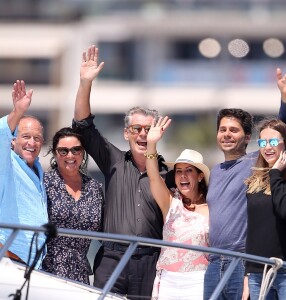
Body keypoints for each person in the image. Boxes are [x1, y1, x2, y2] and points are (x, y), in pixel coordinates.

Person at [72, 45, 168, 299]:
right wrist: (85, 83)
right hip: (112, 258)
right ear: (126, 133)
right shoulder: (113, 160)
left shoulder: (168, 174)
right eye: (136, 129)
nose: (142, 134)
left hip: (150, 260)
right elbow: (83, 126)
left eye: (148, 129)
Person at [204, 62, 286, 300]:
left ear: (247, 138)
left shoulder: (254, 164)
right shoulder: (214, 171)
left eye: (233, 130)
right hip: (214, 260)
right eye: (222, 129)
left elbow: (279, 135)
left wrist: (285, 98)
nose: (226, 134)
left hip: (242, 261)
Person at [145, 116, 210, 300]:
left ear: (199, 176)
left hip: (199, 280)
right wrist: (151, 144)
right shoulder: (170, 202)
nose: (182, 176)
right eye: (179, 171)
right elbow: (153, 177)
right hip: (168, 281)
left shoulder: (212, 207)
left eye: (189, 170)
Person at [245, 119, 286, 299]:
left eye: (274, 142)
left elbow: (285, 210)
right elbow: (253, 229)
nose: (268, 147)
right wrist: (247, 272)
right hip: (257, 273)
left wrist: (275, 173)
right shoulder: (254, 182)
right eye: (262, 142)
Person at [41, 127, 104, 285]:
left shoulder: (94, 188)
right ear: (55, 153)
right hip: (47, 271)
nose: (70, 155)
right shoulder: (43, 183)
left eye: (76, 150)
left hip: (80, 273)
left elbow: (105, 229)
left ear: (83, 153)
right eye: (63, 151)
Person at [0, 80, 48, 267]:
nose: (31, 143)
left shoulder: (37, 169)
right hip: (9, 257)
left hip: (33, 262)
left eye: (36, 138)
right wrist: (17, 112)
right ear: (13, 141)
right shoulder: (7, 163)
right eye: (26, 137)